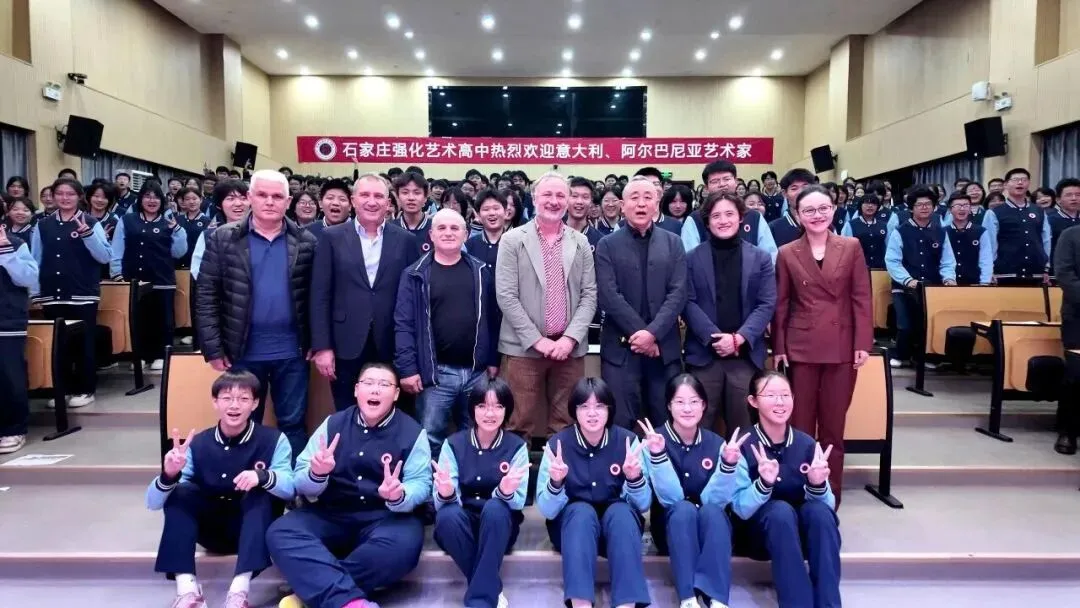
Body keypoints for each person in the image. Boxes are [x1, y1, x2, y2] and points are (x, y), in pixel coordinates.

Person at [268, 363, 431, 608]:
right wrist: (316, 473)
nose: (375, 390)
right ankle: (351, 602)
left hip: (384, 517)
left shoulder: (413, 432)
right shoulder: (332, 424)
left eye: (384, 384)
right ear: (356, 390)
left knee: (404, 546)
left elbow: (421, 483)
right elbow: (299, 481)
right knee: (281, 531)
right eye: (368, 383)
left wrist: (399, 494)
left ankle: (308, 593)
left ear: (396, 394)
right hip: (332, 513)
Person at [147, 370, 294, 608]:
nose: (234, 405)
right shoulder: (198, 443)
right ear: (215, 402)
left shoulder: (274, 439)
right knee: (180, 491)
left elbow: (289, 490)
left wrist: (262, 476)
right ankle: (187, 590)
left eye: (243, 399)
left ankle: (239, 591)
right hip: (210, 531)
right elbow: (153, 503)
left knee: (262, 493)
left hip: (253, 531)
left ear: (255, 403)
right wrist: (169, 474)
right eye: (227, 398)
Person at [196, 170, 317, 460]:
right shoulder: (223, 238)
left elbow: (316, 297)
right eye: (262, 195)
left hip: (292, 352)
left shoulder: (306, 241)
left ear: (288, 201)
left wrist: (317, 340)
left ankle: (291, 481)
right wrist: (213, 348)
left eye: (277, 196)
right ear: (250, 197)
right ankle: (245, 480)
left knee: (293, 423)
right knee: (243, 423)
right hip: (242, 350)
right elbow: (206, 296)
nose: (269, 202)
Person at [773, 185, 872, 502]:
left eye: (823, 208)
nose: (817, 215)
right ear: (798, 215)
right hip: (800, 348)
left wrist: (862, 341)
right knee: (800, 427)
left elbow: (861, 297)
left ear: (833, 209)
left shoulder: (851, 246)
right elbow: (781, 304)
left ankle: (830, 497)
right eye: (809, 210)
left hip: (841, 347)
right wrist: (779, 346)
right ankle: (797, 495)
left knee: (833, 428)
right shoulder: (787, 252)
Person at [495, 171, 597, 439]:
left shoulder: (581, 242)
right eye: (547, 194)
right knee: (518, 421)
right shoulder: (512, 240)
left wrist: (570, 339)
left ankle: (558, 467)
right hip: (523, 348)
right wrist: (537, 340)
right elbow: (506, 295)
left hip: (569, 351)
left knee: (566, 423)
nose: (554, 201)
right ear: (534, 198)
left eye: (560, 195)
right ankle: (516, 468)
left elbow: (589, 295)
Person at [535, 378, 652, 608]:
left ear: (609, 409)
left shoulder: (628, 442)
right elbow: (547, 510)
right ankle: (581, 604)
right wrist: (556, 482)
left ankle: (626, 604)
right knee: (580, 511)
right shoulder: (557, 445)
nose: (592, 413)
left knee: (621, 512)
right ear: (574, 410)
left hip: (617, 533)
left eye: (599, 406)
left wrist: (634, 477)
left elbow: (644, 504)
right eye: (584, 406)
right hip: (573, 532)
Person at [395, 209, 500, 458]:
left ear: (466, 234)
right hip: (435, 375)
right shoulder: (414, 274)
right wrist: (407, 368)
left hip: (477, 373)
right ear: (431, 235)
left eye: (455, 228)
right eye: (441, 228)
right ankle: (431, 484)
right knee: (430, 437)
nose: (448, 233)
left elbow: (493, 318)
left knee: (478, 436)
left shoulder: (481, 271)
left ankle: (471, 481)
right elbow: (403, 324)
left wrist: (493, 360)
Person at [311, 173, 421, 411]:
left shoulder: (405, 240)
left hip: (391, 341)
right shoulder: (331, 237)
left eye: (378, 196)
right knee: (347, 410)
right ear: (353, 201)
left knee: (394, 411)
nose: (372, 202)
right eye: (365, 195)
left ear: (388, 203)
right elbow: (320, 295)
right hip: (345, 342)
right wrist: (322, 346)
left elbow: (413, 298)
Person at [732, 370, 841, 608]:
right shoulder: (742, 445)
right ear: (753, 401)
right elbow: (740, 509)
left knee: (820, 513)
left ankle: (829, 604)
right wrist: (764, 484)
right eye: (771, 395)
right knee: (779, 511)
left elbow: (829, 507)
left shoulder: (807, 444)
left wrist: (817, 484)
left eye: (785, 395)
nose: (780, 402)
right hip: (758, 536)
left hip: (800, 535)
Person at [596, 176, 687, 428]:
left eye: (648, 198)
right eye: (634, 198)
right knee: (621, 423)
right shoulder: (607, 245)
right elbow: (608, 295)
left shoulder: (674, 242)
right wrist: (644, 337)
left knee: (667, 422)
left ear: (657, 204)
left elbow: (678, 293)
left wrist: (653, 334)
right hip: (621, 350)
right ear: (622, 205)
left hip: (663, 350)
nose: (641, 203)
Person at [642, 374, 741, 608]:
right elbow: (671, 499)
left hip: (709, 529)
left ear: (704, 405)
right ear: (669, 405)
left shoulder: (718, 444)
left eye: (694, 402)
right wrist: (658, 455)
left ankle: (717, 599)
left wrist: (728, 466)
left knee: (713, 512)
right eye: (679, 402)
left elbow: (715, 501)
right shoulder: (653, 441)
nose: (687, 408)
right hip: (670, 527)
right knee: (683, 509)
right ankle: (688, 599)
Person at [432, 377, 530, 608]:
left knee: (496, 508)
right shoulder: (453, 444)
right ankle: (491, 588)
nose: (490, 413)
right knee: (446, 515)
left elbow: (517, 502)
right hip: (461, 529)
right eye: (482, 406)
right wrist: (446, 492)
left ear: (506, 410)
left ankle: (480, 601)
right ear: (472, 409)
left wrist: (504, 492)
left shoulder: (517, 446)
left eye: (498, 406)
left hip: (498, 529)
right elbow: (441, 502)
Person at [684, 192, 776, 433]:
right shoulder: (691, 259)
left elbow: (766, 303)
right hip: (704, 356)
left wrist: (738, 339)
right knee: (698, 428)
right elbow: (687, 302)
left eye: (729, 214)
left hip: (744, 357)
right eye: (716, 216)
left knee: (743, 430)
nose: (723, 220)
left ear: (741, 218)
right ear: (707, 221)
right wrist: (716, 339)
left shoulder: (761, 258)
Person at [31, 178, 113, 408]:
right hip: (52, 293)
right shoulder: (43, 225)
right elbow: (35, 259)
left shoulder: (90, 222)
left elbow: (104, 256)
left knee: (83, 344)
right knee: (59, 345)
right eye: (60, 193)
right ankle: (62, 390)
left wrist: (88, 234)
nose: (64, 198)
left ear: (79, 197)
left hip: (83, 293)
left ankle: (85, 389)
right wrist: (35, 292)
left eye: (70, 194)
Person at [110, 183, 188, 372]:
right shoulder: (127, 220)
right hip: (135, 279)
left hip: (162, 279)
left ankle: (162, 355)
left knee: (163, 320)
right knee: (139, 319)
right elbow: (117, 248)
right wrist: (116, 273)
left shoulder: (169, 222)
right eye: (147, 196)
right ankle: (141, 355)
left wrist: (178, 231)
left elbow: (179, 252)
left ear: (162, 201)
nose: (151, 201)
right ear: (140, 199)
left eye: (156, 197)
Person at [885, 186, 958, 368]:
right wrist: (908, 280)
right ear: (911, 208)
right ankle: (900, 354)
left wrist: (949, 278)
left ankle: (922, 357)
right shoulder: (900, 231)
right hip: (904, 287)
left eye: (928, 204)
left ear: (934, 207)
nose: (924, 208)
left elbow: (947, 260)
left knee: (926, 324)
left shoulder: (941, 231)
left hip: (932, 287)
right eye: (920, 205)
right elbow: (892, 261)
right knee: (905, 325)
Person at [681, 161, 777, 262]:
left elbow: (770, 257)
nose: (722, 184)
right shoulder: (695, 219)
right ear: (706, 188)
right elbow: (689, 260)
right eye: (715, 181)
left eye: (726, 179)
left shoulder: (754, 217)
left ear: (736, 182)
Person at [0, 223, 39, 454]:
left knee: (9, 378)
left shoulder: (15, 244)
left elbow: (29, 278)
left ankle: (13, 429)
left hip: (7, 321)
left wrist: (6, 253)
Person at [982, 168, 1051, 285]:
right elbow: (989, 244)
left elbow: (1046, 240)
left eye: (1024, 180)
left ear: (1028, 183)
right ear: (1006, 185)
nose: (1020, 183)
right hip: (1005, 272)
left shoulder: (1039, 211)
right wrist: (989, 270)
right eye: (1015, 180)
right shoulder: (994, 212)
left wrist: (1046, 267)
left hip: (1036, 272)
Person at [190, 180, 250, 282]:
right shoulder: (209, 236)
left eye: (243, 198)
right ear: (219, 205)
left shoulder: (261, 233)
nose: (238, 203)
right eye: (230, 198)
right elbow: (197, 270)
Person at [943, 192, 992, 286]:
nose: (962, 209)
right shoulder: (943, 232)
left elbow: (986, 260)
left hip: (975, 283)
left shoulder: (981, 231)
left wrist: (985, 282)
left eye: (966, 205)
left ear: (970, 209)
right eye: (958, 206)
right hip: (949, 284)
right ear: (950, 210)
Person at [842, 193, 894, 269]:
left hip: (880, 269)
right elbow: (845, 248)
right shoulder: (851, 224)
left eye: (873, 203)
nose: (870, 206)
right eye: (866, 203)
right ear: (860, 206)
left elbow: (889, 248)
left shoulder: (884, 225)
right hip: (857, 267)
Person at [768, 169, 815, 250]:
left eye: (805, 187)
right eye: (794, 188)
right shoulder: (773, 228)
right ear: (784, 193)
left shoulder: (824, 224)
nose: (800, 192)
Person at [465, 189, 508, 269]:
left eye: (496, 208)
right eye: (486, 209)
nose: (492, 213)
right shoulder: (469, 245)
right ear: (479, 216)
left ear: (505, 212)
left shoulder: (515, 243)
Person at [394, 171, 433, 250]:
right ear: (397, 197)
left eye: (417, 193)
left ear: (425, 198)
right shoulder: (388, 230)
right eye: (405, 192)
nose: (411, 198)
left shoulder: (435, 228)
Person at [566, 177, 604, 251]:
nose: (579, 201)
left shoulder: (600, 240)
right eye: (574, 196)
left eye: (585, 197)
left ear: (591, 201)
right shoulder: (553, 235)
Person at [1049, 179, 1080, 263]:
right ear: (1058, 200)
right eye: (1069, 195)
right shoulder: (1050, 221)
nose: (1074, 198)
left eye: (1078, 195)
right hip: (1059, 267)